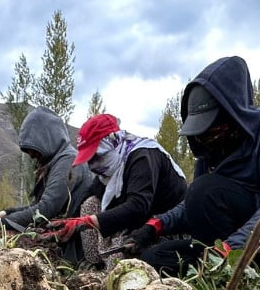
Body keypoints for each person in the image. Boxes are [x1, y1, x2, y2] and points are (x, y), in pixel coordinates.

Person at [127, 56, 260, 279]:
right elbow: (191, 204)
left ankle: (236, 275)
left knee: (205, 191)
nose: (204, 139)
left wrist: (227, 250)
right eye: (200, 134)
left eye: (211, 131)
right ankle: (218, 273)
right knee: (153, 259)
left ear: (234, 116)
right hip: (227, 246)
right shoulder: (210, 150)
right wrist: (155, 225)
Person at [48, 113, 187, 265]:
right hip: (138, 221)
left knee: (117, 255)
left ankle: (113, 274)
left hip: (161, 228)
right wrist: (69, 224)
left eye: (96, 157)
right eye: (89, 160)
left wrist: (88, 222)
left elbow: (138, 206)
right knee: (90, 204)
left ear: (111, 143)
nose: (92, 166)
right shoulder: (111, 167)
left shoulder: (143, 157)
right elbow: (90, 193)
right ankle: (95, 264)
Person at [0, 105, 94, 261]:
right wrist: (8, 212)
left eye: (34, 150)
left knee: (7, 249)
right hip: (58, 235)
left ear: (47, 140)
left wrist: (1, 222)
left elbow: (46, 208)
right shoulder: (58, 160)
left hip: (70, 244)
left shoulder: (67, 162)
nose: (32, 156)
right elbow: (38, 205)